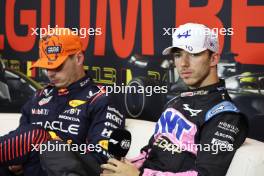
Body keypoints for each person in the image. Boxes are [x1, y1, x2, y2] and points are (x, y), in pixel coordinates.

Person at [100, 23, 248, 176]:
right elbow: (151, 153)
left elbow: (205, 174)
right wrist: (123, 167)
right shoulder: (175, 102)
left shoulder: (225, 115)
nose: (183, 63)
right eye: (178, 55)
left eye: (193, 54)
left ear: (213, 59)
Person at [0, 28, 125, 176]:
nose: (50, 73)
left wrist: (51, 143)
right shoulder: (39, 96)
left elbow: (103, 161)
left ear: (78, 59)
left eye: (57, 66)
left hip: (72, 170)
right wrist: (16, 162)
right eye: (47, 66)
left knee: (37, 137)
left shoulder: (101, 98)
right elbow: (18, 143)